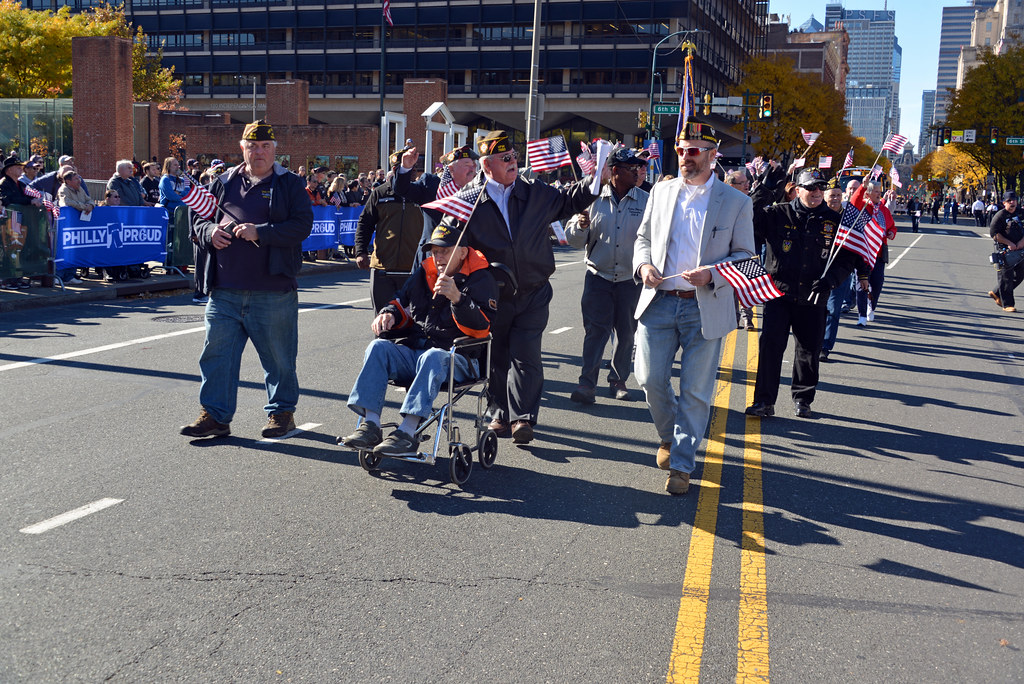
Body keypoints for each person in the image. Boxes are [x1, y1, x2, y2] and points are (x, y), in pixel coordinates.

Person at [440, 130, 602, 444]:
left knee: (526, 352)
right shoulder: (468, 200)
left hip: (533, 289)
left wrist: (596, 181)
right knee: (497, 355)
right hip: (492, 294)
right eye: (505, 158)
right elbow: (450, 243)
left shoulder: (535, 191)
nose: (513, 161)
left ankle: (523, 417)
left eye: (514, 155)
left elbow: (569, 199)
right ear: (487, 165)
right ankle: (500, 414)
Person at [631, 119, 755, 495]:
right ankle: (671, 436)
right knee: (649, 378)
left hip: (705, 305)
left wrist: (712, 274)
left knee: (696, 391)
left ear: (712, 155)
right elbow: (643, 237)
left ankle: (682, 465)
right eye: (682, 150)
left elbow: (745, 256)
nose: (686, 156)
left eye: (695, 151)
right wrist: (644, 265)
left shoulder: (736, 201)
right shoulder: (661, 191)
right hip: (659, 301)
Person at [180, 120, 313, 440]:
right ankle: (216, 415)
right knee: (216, 356)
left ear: (275, 150)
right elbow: (199, 219)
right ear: (242, 148)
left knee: (279, 360)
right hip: (224, 289)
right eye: (252, 146)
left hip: (273, 290)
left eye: (265, 146)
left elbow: (302, 226)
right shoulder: (223, 181)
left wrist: (261, 233)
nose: (259, 152)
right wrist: (210, 233)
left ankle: (282, 414)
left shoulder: (290, 184)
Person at [339, 223, 498, 455]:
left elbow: (483, 329)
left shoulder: (481, 278)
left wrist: (458, 299)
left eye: (445, 251)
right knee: (378, 347)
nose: (438, 257)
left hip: (459, 359)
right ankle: (370, 426)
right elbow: (401, 302)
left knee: (433, 356)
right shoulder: (424, 272)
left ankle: (407, 432)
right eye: (434, 251)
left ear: (463, 252)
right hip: (418, 352)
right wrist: (389, 313)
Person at [745, 167, 857, 420]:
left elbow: (847, 258)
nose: (817, 192)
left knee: (808, 352)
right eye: (810, 187)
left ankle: (803, 400)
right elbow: (747, 218)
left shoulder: (835, 221)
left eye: (820, 187)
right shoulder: (777, 213)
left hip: (813, 296)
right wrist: (764, 190)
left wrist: (831, 280)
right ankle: (764, 401)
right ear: (797, 189)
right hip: (778, 294)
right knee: (770, 349)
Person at [564, 147, 649, 405]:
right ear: (614, 171)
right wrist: (581, 226)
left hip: (630, 280)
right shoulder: (591, 198)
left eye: (638, 168)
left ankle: (618, 381)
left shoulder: (646, 201)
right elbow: (573, 240)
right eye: (631, 169)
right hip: (598, 277)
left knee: (626, 333)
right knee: (595, 332)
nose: (637, 172)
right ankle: (586, 384)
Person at [354, 155, 428, 312]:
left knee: (415, 320)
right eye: (407, 168)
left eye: (414, 169)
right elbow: (365, 223)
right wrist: (360, 251)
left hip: (414, 269)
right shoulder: (380, 193)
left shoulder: (423, 193)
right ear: (395, 170)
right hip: (383, 269)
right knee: (383, 319)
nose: (413, 173)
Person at [820, 184, 868, 361]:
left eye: (838, 195)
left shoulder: (849, 218)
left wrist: (863, 275)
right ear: (824, 196)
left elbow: (858, 248)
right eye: (832, 195)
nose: (835, 199)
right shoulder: (818, 214)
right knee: (815, 310)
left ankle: (825, 346)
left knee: (833, 310)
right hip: (817, 271)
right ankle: (812, 341)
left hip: (840, 273)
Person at [849, 182, 897, 326]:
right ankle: (862, 315)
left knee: (877, 283)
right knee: (861, 283)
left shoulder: (883, 210)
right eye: (875, 191)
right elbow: (854, 201)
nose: (879, 194)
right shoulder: (862, 206)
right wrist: (862, 186)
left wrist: (891, 233)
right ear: (868, 193)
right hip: (863, 253)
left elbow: (892, 226)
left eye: (879, 191)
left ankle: (871, 305)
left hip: (879, 254)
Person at [1, 155, 43, 290]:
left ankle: (18, 278)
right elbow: (8, 199)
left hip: (22, 223)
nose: (21, 169)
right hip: (9, 224)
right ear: (8, 170)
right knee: (10, 250)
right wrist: (29, 202)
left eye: (21, 167)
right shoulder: (4, 183)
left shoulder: (22, 184)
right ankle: (7, 279)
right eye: (17, 167)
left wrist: (38, 200)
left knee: (20, 250)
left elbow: (32, 194)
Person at [725, 168, 755, 329]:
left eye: (747, 182)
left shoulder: (750, 200)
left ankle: (747, 318)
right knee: (731, 289)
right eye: (742, 182)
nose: (746, 185)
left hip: (747, 252)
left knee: (746, 287)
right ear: (731, 186)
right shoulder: (723, 203)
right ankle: (734, 318)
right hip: (728, 253)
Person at [987, 191, 1023, 313]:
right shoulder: (1000, 216)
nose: (1012, 203)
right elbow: (994, 234)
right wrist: (1009, 243)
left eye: (1014, 200)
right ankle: (1007, 304)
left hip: (1021, 249)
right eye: (1009, 201)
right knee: (1006, 277)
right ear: (1004, 203)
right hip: (1005, 251)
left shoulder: (1021, 213)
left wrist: (1021, 242)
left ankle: (997, 292)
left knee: (1020, 275)